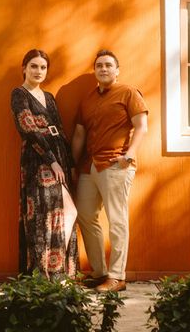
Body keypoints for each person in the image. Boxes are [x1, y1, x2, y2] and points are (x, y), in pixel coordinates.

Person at [71, 49, 148, 292]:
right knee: (84, 215)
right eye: (99, 66)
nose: (103, 69)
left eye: (108, 65)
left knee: (117, 220)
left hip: (115, 164)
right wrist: (73, 165)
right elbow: (80, 134)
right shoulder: (88, 98)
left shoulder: (128, 92)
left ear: (117, 70)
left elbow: (141, 127)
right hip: (88, 166)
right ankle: (99, 271)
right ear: (94, 70)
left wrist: (129, 155)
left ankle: (117, 276)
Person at [10, 49, 78, 278]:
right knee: (42, 215)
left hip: (58, 157)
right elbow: (28, 129)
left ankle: (58, 270)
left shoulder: (49, 97)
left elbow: (61, 131)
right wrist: (51, 161)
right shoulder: (19, 94)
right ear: (24, 68)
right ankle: (41, 272)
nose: (39, 71)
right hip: (37, 160)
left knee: (65, 211)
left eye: (43, 67)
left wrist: (68, 164)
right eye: (34, 66)